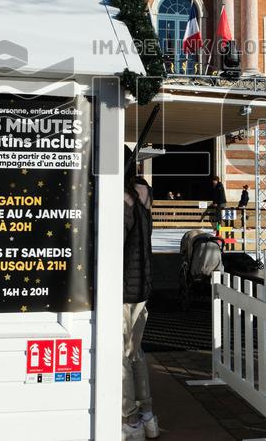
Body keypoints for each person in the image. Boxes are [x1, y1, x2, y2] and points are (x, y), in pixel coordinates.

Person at [122, 146, 159, 440]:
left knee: (122, 355)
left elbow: (116, 239)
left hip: (123, 286)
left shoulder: (124, 198)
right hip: (142, 284)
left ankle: (129, 419)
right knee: (136, 352)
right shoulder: (144, 194)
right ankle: (147, 414)